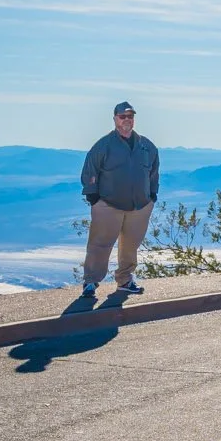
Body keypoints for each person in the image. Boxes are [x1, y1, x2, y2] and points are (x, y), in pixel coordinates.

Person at [79, 102, 160, 299]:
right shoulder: (103, 145)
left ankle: (125, 280)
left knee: (130, 246)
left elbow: (153, 172)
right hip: (108, 204)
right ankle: (91, 282)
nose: (127, 120)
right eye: (122, 116)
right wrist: (93, 197)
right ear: (115, 118)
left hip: (139, 205)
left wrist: (152, 195)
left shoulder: (146, 146)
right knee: (100, 245)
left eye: (130, 116)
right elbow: (90, 171)